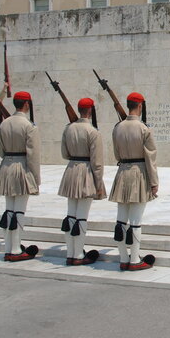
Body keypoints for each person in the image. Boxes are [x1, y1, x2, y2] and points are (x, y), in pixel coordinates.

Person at [108, 92, 158, 271]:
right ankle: (135, 260)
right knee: (135, 221)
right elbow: (150, 158)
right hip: (139, 174)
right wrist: (154, 182)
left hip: (122, 174)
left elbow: (116, 154)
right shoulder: (144, 129)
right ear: (140, 106)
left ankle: (123, 258)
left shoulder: (117, 127)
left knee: (121, 220)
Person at [0, 91, 41, 261]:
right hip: (21, 167)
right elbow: (33, 156)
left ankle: (9, 247)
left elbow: (1, 150)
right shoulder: (29, 126)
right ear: (27, 104)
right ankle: (15, 250)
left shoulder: (4, 124)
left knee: (9, 210)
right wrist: (35, 179)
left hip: (6, 166)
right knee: (18, 211)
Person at [58, 98, 106, 266]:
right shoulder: (93, 132)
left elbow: (65, 153)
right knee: (82, 217)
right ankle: (78, 254)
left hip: (71, 171)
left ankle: (70, 253)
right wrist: (98, 184)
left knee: (71, 214)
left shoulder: (68, 129)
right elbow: (97, 162)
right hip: (86, 172)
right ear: (91, 111)